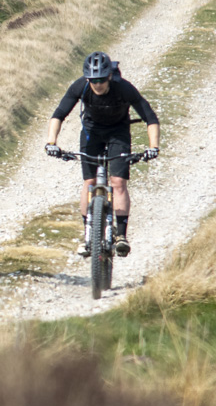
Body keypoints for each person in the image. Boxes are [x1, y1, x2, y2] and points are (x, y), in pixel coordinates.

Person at [44, 50, 159, 257]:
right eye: (93, 80)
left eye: (101, 80)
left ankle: (121, 236)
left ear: (109, 77)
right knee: (89, 182)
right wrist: (51, 142)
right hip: (92, 133)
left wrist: (153, 147)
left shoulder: (123, 88)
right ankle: (88, 235)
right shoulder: (80, 86)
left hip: (118, 133)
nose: (97, 84)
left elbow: (150, 118)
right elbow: (58, 114)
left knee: (118, 182)